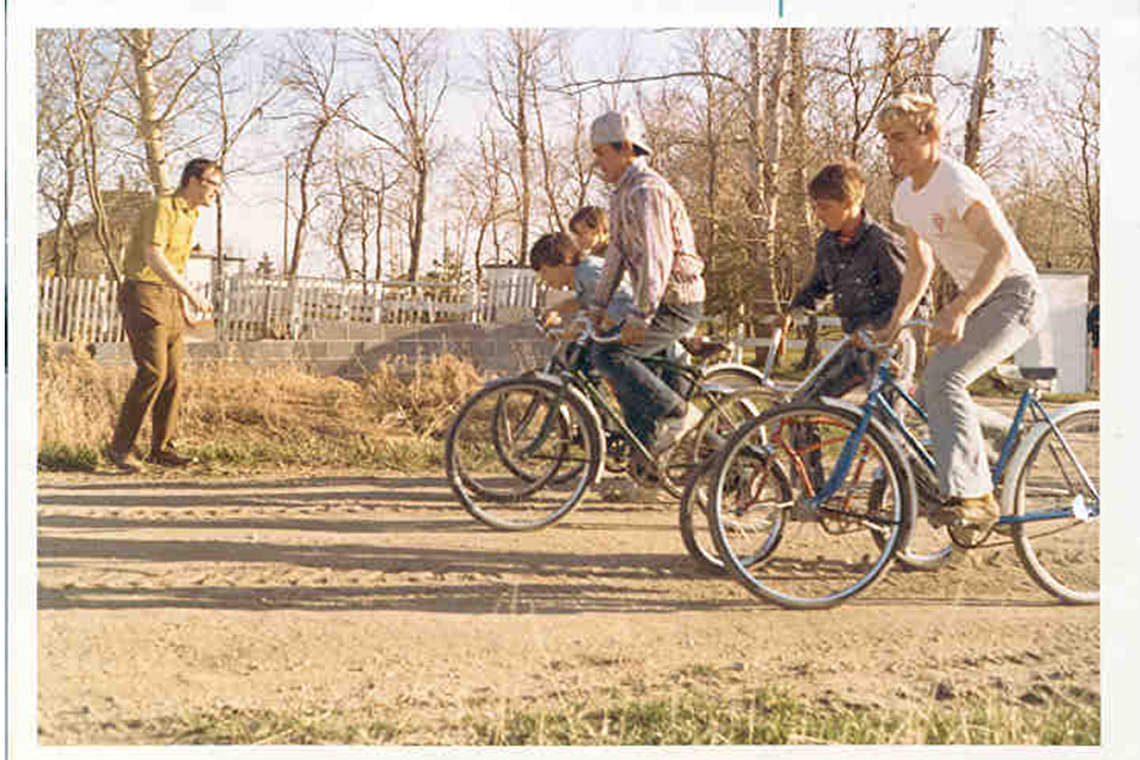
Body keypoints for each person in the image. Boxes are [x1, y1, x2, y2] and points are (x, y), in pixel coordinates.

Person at [874, 93, 1047, 537]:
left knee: (942, 380)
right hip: (981, 298)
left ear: (931, 136)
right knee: (934, 389)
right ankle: (1008, 435)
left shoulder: (955, 181)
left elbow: (1001, 251)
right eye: (886, 140)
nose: (891, 149)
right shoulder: (904, 197)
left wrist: (959, 307)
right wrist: (897, 322)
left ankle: (976, 498)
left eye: (900, 139)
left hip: (1015, 294)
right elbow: (920, 265)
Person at [587, 109, 706, 454]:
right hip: (656, 301)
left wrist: (642, 313)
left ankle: (680, 414)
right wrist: (598, 305)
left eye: (601, 153)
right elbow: (616, 255)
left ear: (625, 148)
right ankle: (646, 471)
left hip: (676, 300)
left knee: (610, 355)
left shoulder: (646, 191)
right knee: (627, 381)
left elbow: (657, 256)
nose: (598, 163)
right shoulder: (622, 194)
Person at [105, 158, 220, 472]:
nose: (216, 191)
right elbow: (154, 257)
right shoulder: (162, 208)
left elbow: (177, 265)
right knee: (152, 372)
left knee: (172, 378)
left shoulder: (191, 215)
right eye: (213, 183)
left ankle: (162, 449)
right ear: (193, 181)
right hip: (143, 291)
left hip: (169, 298)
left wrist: (183, 305)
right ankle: (119, 449)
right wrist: (193, 293)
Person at [785, 161, 916, 403]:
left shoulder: (882, 244)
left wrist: (878, 327)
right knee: (801, 405)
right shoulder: (827, 243)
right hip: (854, 344)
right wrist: (793, 311)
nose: (818, 214)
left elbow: (914, 299)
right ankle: (803, 440)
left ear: (849, 203)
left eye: (824, 207)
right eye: (815, 207)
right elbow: (817, 287)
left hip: (889, 346)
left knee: (881, 426)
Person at [529, 231, 634, 331]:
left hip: (634, 332)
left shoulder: (588, 274)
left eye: (544, 271)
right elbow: (584, 300)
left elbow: (622, 303)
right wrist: (556, 310)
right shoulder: (582, 274)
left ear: (564, 260)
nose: (543, 278)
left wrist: (584, 326)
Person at [1087, 302, 1099, 388]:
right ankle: (1098, 387)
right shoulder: (1096, 309)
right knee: (1098, 370)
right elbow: (1089, 326)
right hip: (1097, 345)